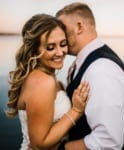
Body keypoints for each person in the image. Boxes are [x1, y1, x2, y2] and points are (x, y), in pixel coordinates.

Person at [56, 2, 124, 150]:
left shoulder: (102, 70)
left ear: (79, 27)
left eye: (62, 28)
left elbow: (108, 142)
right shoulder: (86, 62)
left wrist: (62, 148)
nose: (58, 34)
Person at [6, 13, 89, 150]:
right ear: (34, 50)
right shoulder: (43, 82)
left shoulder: (45, 77)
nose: (60, 52)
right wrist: (76, 111)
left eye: (63, 44)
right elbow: (39, 144)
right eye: (50, 47)